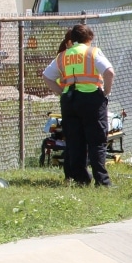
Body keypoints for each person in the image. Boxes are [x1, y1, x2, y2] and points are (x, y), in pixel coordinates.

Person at [42, 23, 116, 187]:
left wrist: (61, 92)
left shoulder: (63, 55)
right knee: (97, 141)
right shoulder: (92, 52)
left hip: (69, 101)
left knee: (75, 141)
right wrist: (105, 92)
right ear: (89, 38)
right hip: (91, 99)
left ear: (72, 39)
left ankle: (81, 179)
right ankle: (102, 182)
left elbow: (47, 76)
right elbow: (109, 72)